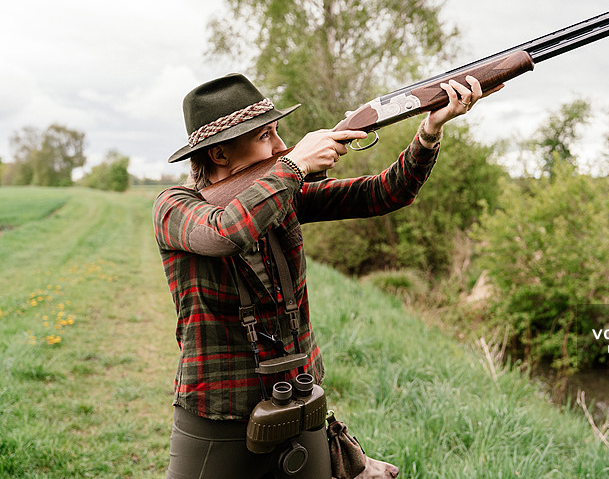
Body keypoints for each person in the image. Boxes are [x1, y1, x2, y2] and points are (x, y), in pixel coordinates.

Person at [153, 72, 500, 478]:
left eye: (278, 133)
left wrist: (429, 130)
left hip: (301, 400)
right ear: (219, 155)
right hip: (218, 411)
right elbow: (224, 232)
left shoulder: (284, 195)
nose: (282, 146)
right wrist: (295, 165)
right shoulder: (173, 206)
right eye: (266, 136)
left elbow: (387, 192)